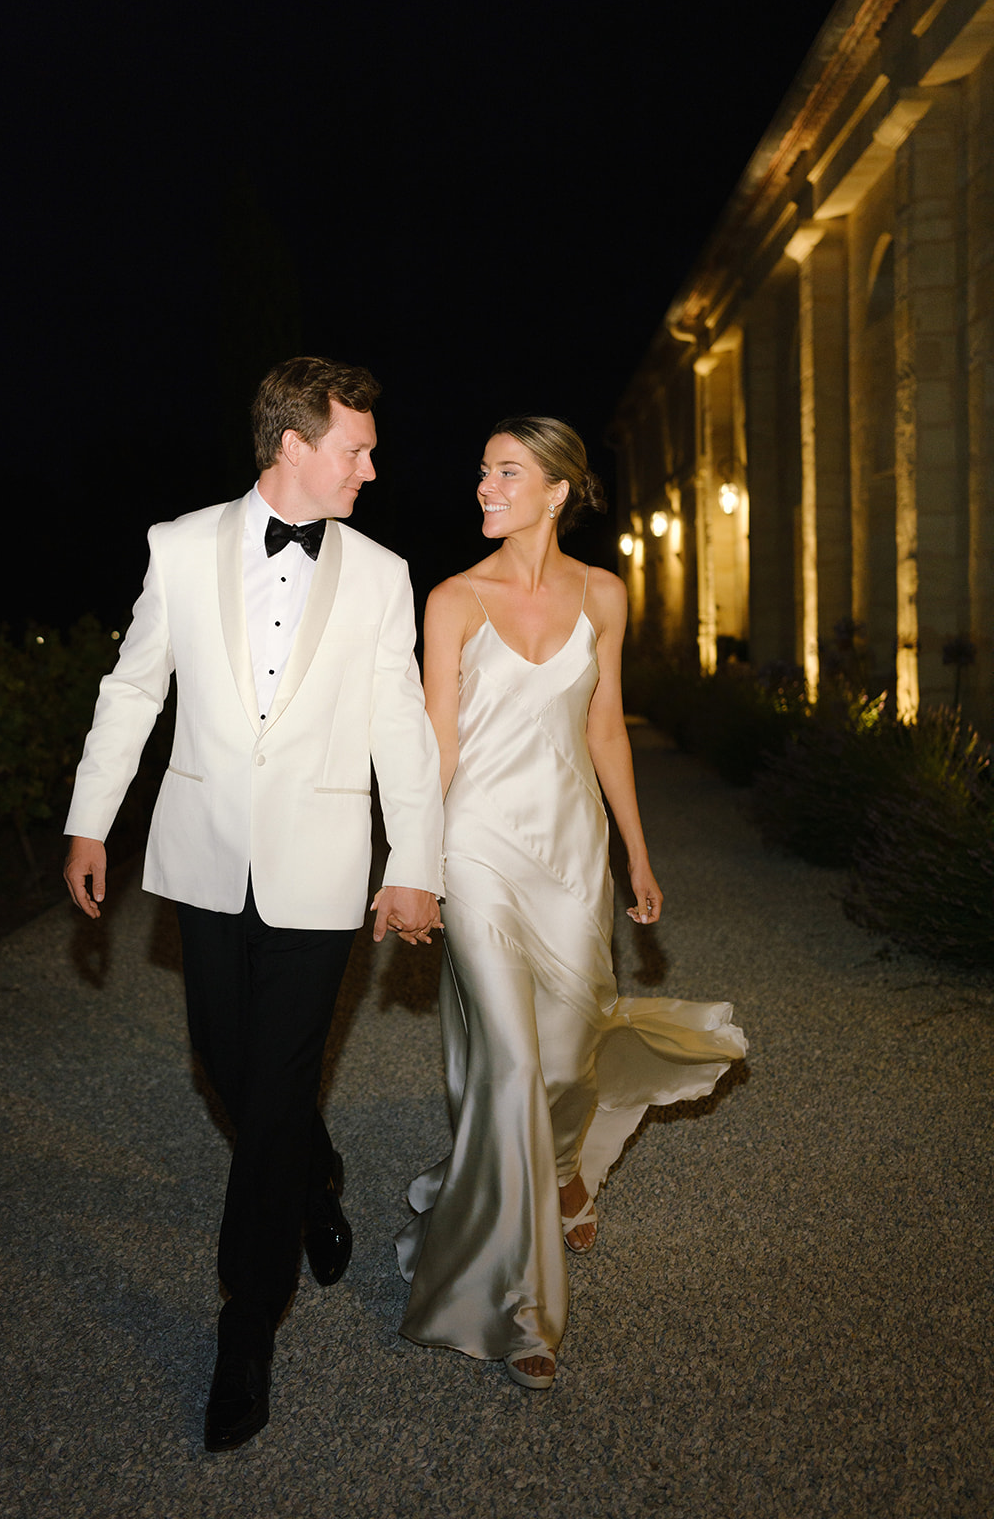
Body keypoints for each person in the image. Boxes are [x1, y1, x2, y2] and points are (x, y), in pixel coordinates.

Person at [63, 357, 444, 1451]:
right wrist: (93, 818)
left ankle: (247, 1321)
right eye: (356, 448)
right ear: (293, 442)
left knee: (273, 1082)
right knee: (230, 1066)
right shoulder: (177, 547)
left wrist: (412, 857)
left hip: (324, 870)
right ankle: (310, 1173)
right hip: (203, 859)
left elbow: (401, 727)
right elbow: (133, 686)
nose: (372, 468)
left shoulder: (380, 572)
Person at [396, 415, 746, 1389]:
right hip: (475, 847)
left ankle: (559, 1171)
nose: (482, 485)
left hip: (570, 854)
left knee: (567, 1051)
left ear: (556, 491)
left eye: (504, 471)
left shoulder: (604, 595)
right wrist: (414, 860)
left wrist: (637, 850)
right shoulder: (455, 599)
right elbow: (440, 740)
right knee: (512, 1059)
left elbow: (605, 728)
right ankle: (523, 1308)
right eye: (480, 470)